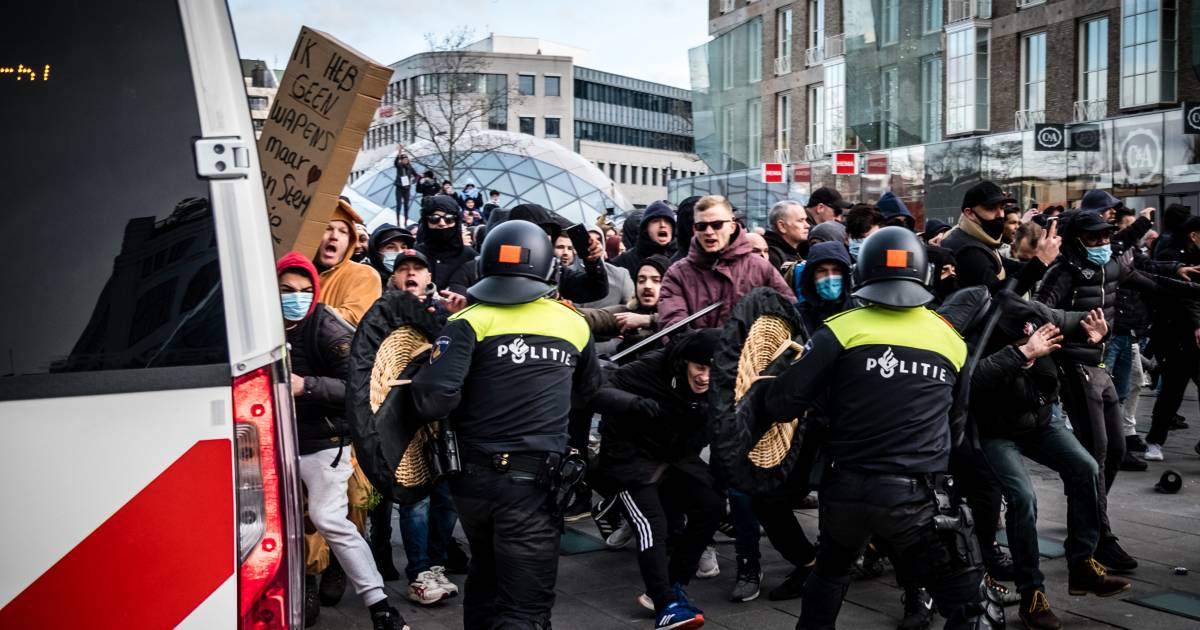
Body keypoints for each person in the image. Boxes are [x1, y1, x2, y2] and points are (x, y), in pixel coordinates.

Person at [758, 226, 1001, 629]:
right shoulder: (950, 340)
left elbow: (781, 404)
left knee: (830, 574)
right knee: (969, 605)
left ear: (861, 273)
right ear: (923, 274)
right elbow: (956, 424)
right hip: (914, 497)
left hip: (845, 490)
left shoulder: (839, 329)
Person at [412, 220, 601, 630]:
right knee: (525, 608)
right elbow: (589, 391)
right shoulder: (572, 323)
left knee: (486, 575)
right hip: (534, 484)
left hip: (471, 482)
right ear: (549, 268)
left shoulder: (468, 320)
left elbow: (432, 398)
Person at [1034, 208, 1200, 572]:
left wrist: (1186, 281)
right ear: (1076, 241)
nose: (1102, 243)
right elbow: (1037, 313)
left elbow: (1148, 279)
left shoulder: (1111, 264)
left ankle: (1087, 522)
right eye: (1093, 238)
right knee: (1095, 453)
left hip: (1100, 366)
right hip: (1074, 368)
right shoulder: (1063, 272)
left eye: (1105, 236)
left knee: (1115, 451)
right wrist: (1079, 327)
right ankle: (1099, 537)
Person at [969, 296, 1130, 630]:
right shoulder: (979, 333)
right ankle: (1032, 594)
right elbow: (971, 379)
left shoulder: (1038, 318)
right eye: (1026, 337)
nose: (1036, 340)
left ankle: (1082, 563)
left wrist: (1099, 331)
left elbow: (1078, 322)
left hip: (1041, 420)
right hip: (996, 430)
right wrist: (1021, 354)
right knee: (1022, 498)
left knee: (1086, 468)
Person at [276, 252, 407, 630]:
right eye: (286, 290)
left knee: (328, 518)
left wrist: (307, 386)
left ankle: (380, 606)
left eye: (304, 290)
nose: (296, 297)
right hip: (274, 446)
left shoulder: (325, 327)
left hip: (324, 443)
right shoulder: (259, 328)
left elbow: (359, 387)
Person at [591, 330, 726, 630]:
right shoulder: (654, 365)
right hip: (628, 456)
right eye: (699, 368)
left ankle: (673, 586)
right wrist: (635, 403)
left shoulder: (724, 379)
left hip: (674, 455)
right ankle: (665, 605)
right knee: (651, 524)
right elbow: (598, 391)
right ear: (685, 362)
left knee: (712, 505)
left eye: (712, 370)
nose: (705, 377)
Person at [658, 195, 794, 330]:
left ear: (732, 227)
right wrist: (707, 338)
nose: (709, 232)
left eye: (717, 225)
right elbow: (673, 327)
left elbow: (790, 314)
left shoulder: (760, 268)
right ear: (694, 229)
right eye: (701, 226)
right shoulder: (677, 274)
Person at [941, 181, 1058, 295]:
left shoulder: (975, 237)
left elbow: (1003, 265)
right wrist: (1041, 261)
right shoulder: (969, 251)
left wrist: (1048, 264)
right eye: (991, 208)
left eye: (1002, 208)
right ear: (969, 213)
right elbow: (999, 297)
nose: (1000, 215)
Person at [1146, 214, 1200, 461]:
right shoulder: (1172, 256)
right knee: (1172, 389)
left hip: (1190, 334)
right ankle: (1155, 441)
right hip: (1175, 334)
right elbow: (1185, 296)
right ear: (1194, 235)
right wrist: (1197, 325)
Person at [507, 203, 610, 304]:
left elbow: (596, 290)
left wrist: (592, 262)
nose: (540, 248)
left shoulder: (554, 271)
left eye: (546, 242)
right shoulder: (499, 265)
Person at [579, 255, 668, 357]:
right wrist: (566, 310)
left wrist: (649, 320)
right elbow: (596, 317)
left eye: (656, 281)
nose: (647, 286)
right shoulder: (629, 312)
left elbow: (679, 322)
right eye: (641, 281)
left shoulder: (678, 313)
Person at [314, 199, 384, 327]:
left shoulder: (365, 275)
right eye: (327, 228)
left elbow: (351, 321)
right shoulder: (295, 268)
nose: (334, 236)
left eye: (343, 231)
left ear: (350, 241)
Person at [416, 195, 478, 294]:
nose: (442, 223)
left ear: (457, 221)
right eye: (434, 218)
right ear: (426, 221)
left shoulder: (470, 256)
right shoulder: (416, 254)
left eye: (449, 218)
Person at [611, 200, 677, 278]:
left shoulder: (680, 260)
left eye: (667, 221)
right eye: (655, 221)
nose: (662, 225)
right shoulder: (622, 262)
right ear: (645, 228)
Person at [764, 200, 810, 272]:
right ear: (782, 226)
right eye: (800, 220)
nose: (807, 225)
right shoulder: (772, 256)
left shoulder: (799, 251)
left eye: (805, 220)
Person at [394, 153, 419, 224]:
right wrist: (398, 155)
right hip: (399, 188)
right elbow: (395, 163)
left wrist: (414, 180)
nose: (405, 160)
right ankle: (398, 221)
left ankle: (405, 221)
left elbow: (417, 175)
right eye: (404, 159)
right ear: (401, 160)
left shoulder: (410, 167)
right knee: (399, 205)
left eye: (406, 159)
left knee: (406, 205)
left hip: (407, 189)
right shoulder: (399, 166)